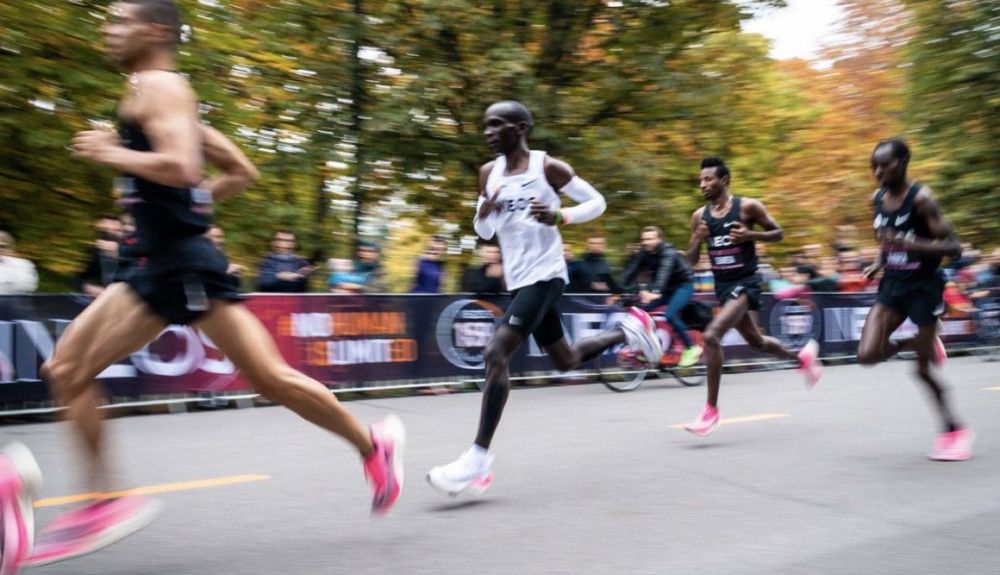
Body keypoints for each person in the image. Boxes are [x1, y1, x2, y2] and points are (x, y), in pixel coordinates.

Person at [0, 3, 406, 571]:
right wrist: (187, 211)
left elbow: (183, 167)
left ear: (157, 31)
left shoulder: (159, 85)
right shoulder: (159, 94)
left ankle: (103, 502)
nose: (108, 29)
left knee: (69, 370)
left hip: (174, 265)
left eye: (120, 21)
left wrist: (111, 154)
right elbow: (240, 170)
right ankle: (373, 445)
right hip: (169, 259)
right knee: (271, 378)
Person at [426, 100, 661, 496]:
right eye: (484, 125)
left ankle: (477, 458)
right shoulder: (487, 173)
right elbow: (483, 232)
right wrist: (488, 205)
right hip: (518, 279)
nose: (487, 132)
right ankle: (628, 330)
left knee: (495, 353)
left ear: (520, 128)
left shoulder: (547, 167)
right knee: (565, 359)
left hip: (547, 273)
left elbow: (597, 202)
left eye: (496, 124)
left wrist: (560, 217)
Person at [683, 157, 822, 436]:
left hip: (746, 282)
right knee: (757, 342)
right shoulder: (700, 216)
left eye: (708, 179)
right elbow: (690, 260)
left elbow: (778, 233)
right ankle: (802, 359)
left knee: (711, 336)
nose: (702, 185)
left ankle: (711, 410)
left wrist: (750, 236)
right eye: (700, 180)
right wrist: (697, 238)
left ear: (724, 181)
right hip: (722, 286)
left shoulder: (747, 207)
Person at [858, 138, 972, 461]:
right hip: (892, 287)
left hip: (923, 289)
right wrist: (881, 261)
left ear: (904, 162)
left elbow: (954, 248)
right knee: (867, 354)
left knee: (921, 372)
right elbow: (885, 237)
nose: (879, 171)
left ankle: (954, 431)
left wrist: (911, 245)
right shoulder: (876, 199)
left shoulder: (921, 199)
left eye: (886, 165)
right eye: (874, 166)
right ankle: (917, 342)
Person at [620, 226, 703, 367]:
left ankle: (691, 348)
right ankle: (648, 349)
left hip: (683, 286)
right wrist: (618, 291)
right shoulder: (643, 253)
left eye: (650, 239)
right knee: (643, 313)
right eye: (643, 239)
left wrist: (655, 292)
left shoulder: (668, 252)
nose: (646, 242)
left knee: (669, 315)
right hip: (666, 289)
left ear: (659, 239)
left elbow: (664, 272)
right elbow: (630, 272)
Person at [77, 215, 123, 298]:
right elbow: (79, 277)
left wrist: (119, 252)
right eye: (104, 230)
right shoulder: (96, 253)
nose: (110, 232)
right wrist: (88, 287)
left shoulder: (134, 250)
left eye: (116, 230)